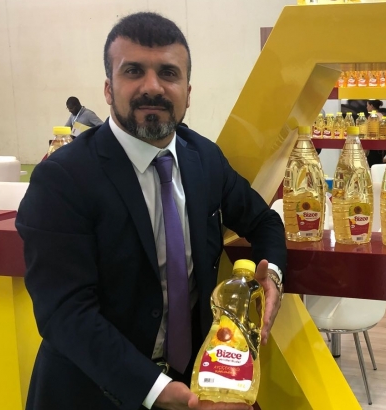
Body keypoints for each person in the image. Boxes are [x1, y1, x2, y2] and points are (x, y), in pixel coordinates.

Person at [17, 12, 286, 410]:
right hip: (95, 391)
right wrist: (156, 390)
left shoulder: (204, 159)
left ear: (188, 92)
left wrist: (273, 277)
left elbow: (263, 221)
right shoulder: (62, 179)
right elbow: (65, 313)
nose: (152, 86)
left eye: (168, 73)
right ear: (108, 88)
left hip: (196, 381)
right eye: (133, 71)